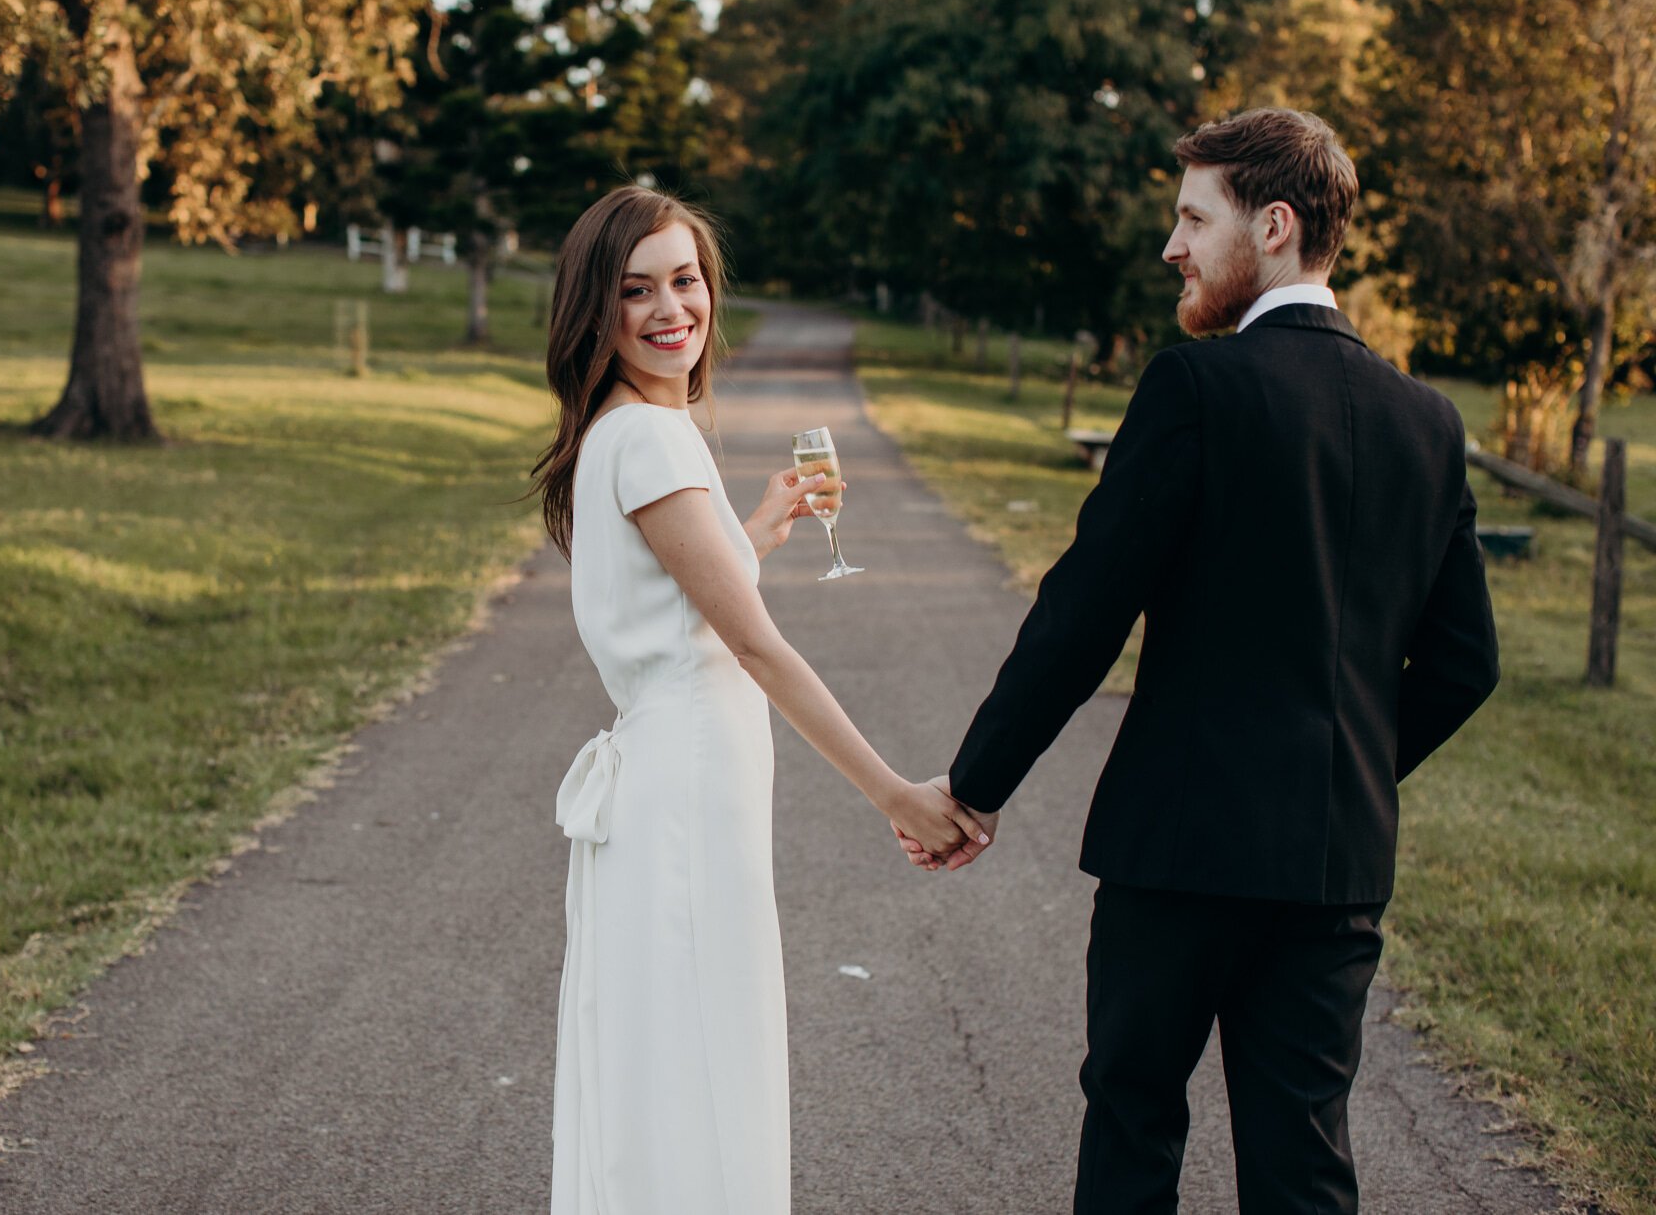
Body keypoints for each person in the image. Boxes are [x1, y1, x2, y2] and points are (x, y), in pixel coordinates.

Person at [901, 108, 1501, 1213]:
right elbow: (1464, 664)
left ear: (1270, 226)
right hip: (1333, 867)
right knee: (1302, 1162)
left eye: (1190, 218)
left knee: (1133, 1127)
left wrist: (969, 788)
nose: (1170, 247)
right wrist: (1347, 771)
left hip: (1175, 853)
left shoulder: (1195, 388)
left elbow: (1080, 617)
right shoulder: (1428, 422)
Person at [530, 185, 987, 1215]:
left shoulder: (623, 429)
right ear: (592, 310)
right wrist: (894, 794)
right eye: (634, 289)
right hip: (685, 792)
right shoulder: (650, 439)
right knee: (701, 1057)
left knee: (672, 1058)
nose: (668, 310)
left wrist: (754, 530)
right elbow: (754, 648)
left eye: (683, 281)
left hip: (669, 782)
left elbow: (673, 609)